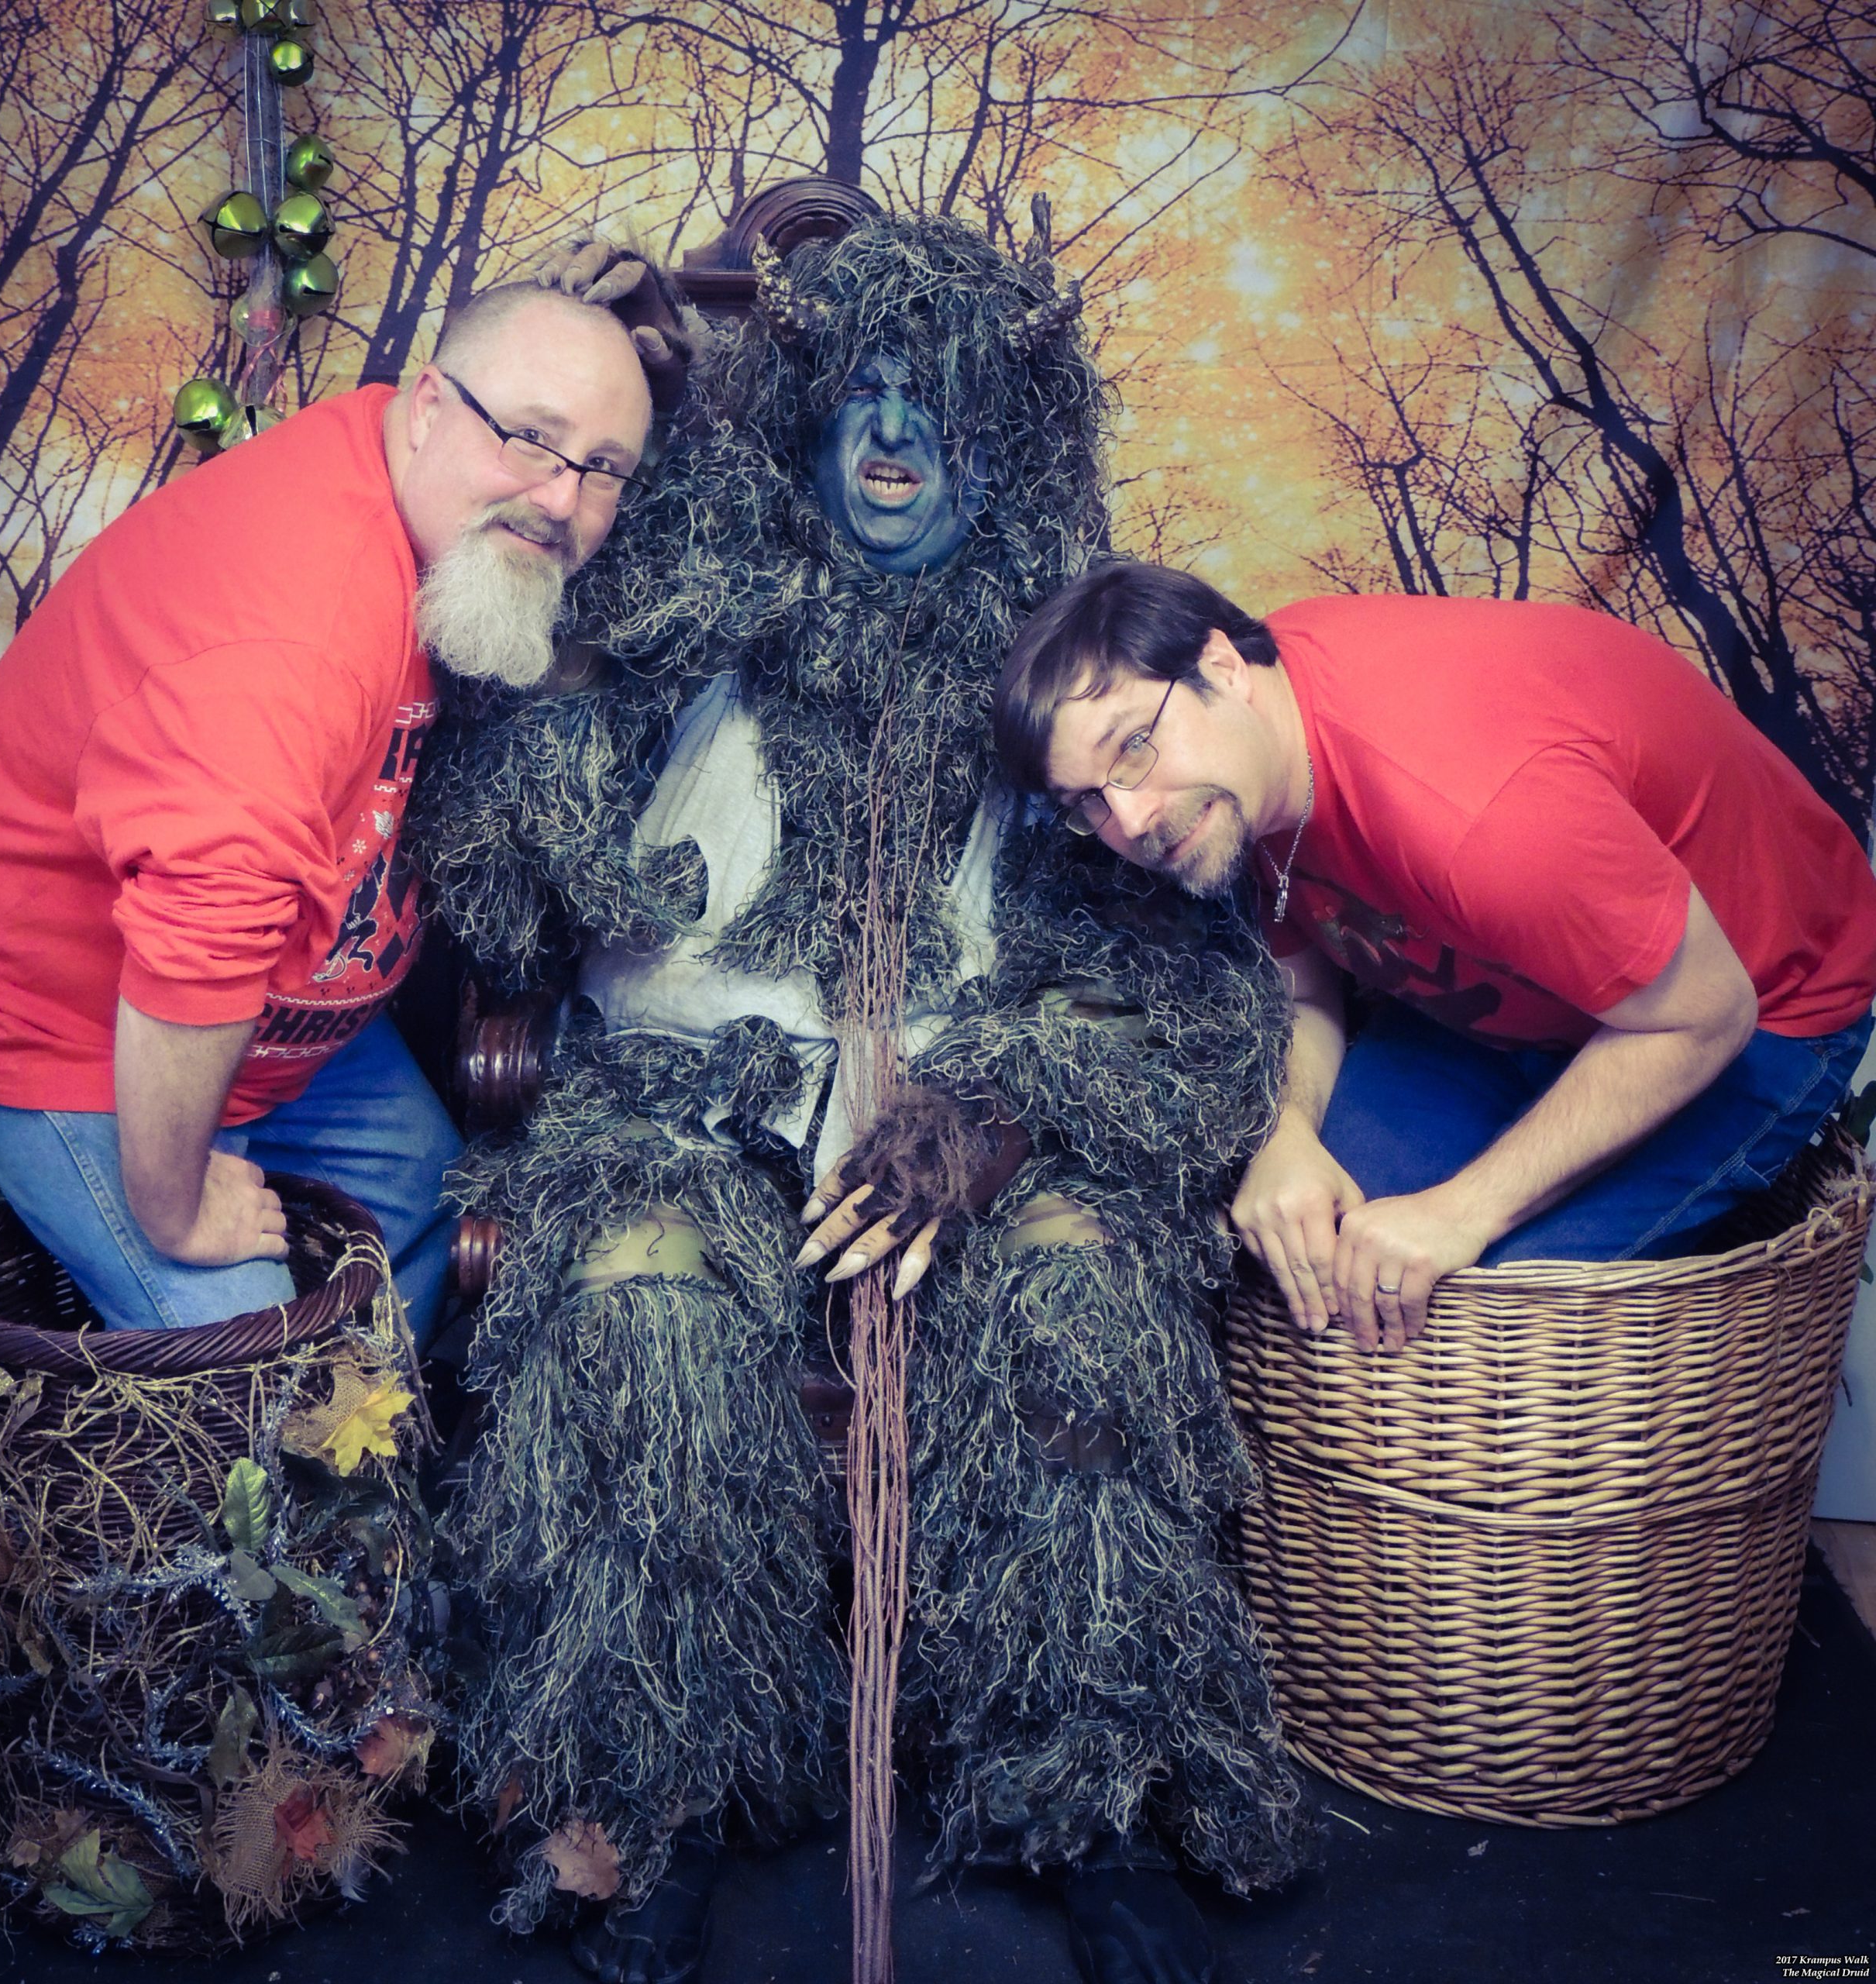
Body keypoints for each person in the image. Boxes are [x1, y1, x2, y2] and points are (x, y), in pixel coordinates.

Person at [415, 213, 1308, 1984]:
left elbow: (1191, 1001)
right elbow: (504, 890)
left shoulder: (1069, 674)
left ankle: (1085, 1791)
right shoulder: (679, 580)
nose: (892, 435)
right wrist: (576, 690)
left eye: (936, 404)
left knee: (1078, 1301)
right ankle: (647, 1787)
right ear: (810, 416)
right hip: (684, 1075)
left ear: (1005, 443)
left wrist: (996, 1100)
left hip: (962, 1107)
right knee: (636, 1303)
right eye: (864, 397)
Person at [0, 249, 682, 1344]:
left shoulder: (437, 493)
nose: (561, 499)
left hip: (278, 1024)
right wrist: (173, 1205)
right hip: (58, 1016)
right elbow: (197, 937)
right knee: (247, 1366)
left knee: (427, 1206)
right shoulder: (292, 638)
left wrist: (630, 381)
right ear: (425, 408)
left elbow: (549, 446)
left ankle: (375, 1478)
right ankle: (300, 1479)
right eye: (534, 440)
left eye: (603, 468)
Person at [993, 562, 1876, 1350]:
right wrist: (1286, 1133)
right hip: (1507, 994)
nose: (1133, 820)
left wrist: (1463, 1211)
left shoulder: (1479, 813)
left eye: (1134, 747)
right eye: (1086, 802)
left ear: (1221, 666)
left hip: (1749, 998)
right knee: (1309, 1253)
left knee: (1478, 1321)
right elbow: (1305, 982)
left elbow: (1707, 1012)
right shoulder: (1247, 759)